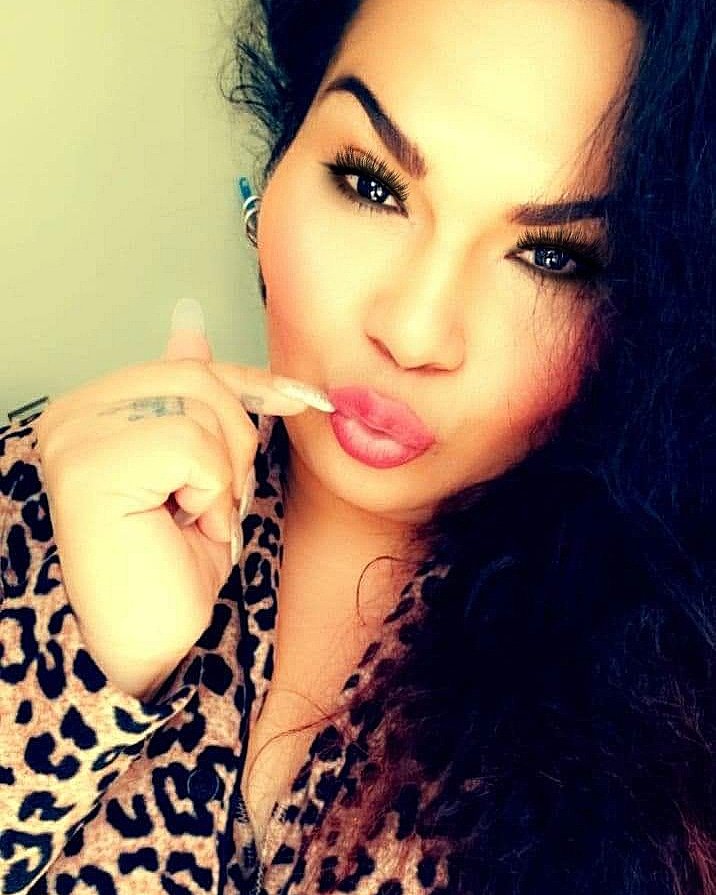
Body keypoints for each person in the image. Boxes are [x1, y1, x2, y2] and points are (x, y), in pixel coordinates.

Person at [0, 0, 712, 892]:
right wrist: (87, 669)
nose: (413, 331)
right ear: (278, 165)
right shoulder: (43, 496)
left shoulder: (675, 724)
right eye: (372, 185)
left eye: (552, 258)